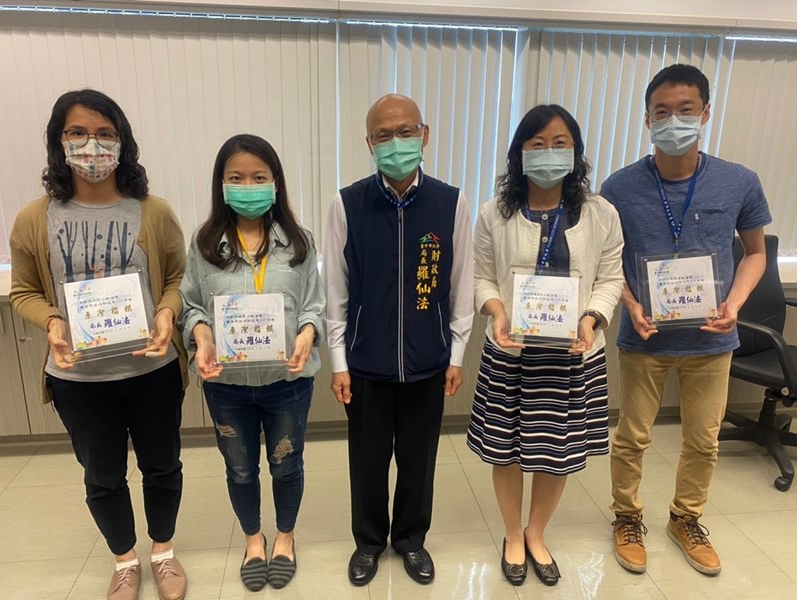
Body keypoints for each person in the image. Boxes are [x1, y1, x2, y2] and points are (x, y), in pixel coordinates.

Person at [9, 89, 188, 600]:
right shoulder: (35, 218)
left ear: (122, 142)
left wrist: (166, 311)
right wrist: (51, 322)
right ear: (59, 142)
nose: (92, 146)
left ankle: (163, 553)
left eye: (105, 134)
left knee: (162, 466)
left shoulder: (151, 211)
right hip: (79, 378)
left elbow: (177, 278)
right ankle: (125, 560)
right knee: (102, 476)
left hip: (151, 370)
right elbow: (24, 290)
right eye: (78, 133)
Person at [602, 64, 771, 576]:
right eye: (662, 111)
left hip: (712, 340)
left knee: (703, 440)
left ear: (705, 113)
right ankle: (626, 516)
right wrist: (630, 303)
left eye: (686, 110)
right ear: (647, 119)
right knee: (632, 436)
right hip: (644, 337)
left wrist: (735, 303)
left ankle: (686, 518)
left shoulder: (739, 181)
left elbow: (756, 254)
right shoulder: (619, 187)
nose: (673, 120)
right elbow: (606, 262)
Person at [466, 104, 624, 587]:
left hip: (572, 355)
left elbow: (610, 278)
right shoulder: (495, 213)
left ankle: (537, 533)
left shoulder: (600, 213)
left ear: (576, 152)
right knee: (507, 450)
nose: (549, 153)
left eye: (560, 144)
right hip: (512, 353)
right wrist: (497, 312)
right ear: (520, 153)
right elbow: (481, 278)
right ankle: (513, 534)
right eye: (537, 144)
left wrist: (591, 318)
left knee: (556, 452)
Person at [323, 93, 474, 586]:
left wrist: (456, 355)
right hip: (366, 364)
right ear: (370, 143)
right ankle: (368, 542)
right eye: (384, 135)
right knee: (367, 463)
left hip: (429, 361)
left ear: (424, 135)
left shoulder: (451, 203)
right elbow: (336, 293)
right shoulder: (347, 204)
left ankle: (410, 539)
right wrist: (339, 363)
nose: (396, 142)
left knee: (418, 461)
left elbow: (462, 287)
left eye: (406, 131)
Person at [179, 134, 324, 591]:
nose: (248, 187)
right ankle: (253, 540)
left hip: (287, 380)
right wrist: (201, 335)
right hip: (227, 384)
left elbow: (314, 305)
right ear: (221, 184)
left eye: (258, 177)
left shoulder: (299, 243)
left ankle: (285, 538)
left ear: (275, 182)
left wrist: (307, 334)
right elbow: (191, 305)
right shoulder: (205, 243)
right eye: (236, 178)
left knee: (286, 464)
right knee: (240, 468)